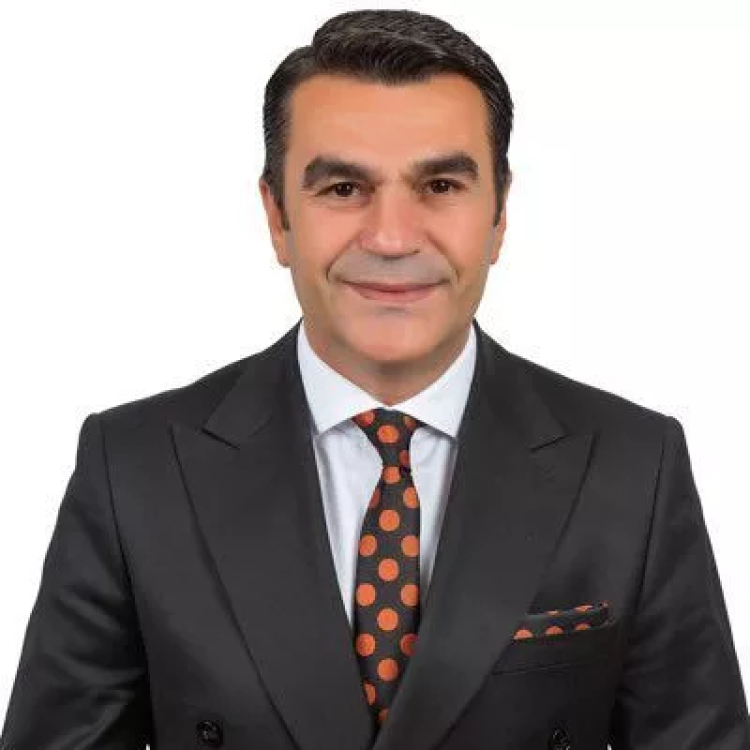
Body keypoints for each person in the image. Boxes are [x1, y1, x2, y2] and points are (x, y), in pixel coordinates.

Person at [2, 8, 748, 750]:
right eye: (342, 189)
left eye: (441, 185)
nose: (391, 238)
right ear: (277, 217)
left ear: (498, 215)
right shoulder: (134, 467)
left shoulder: (632, 464)